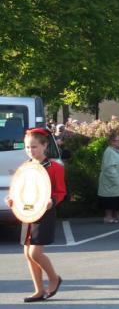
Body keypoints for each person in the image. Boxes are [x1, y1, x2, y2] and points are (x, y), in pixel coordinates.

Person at [6, 128, 66, 302]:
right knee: (27, 253)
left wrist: (52, 201)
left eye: (34, 147)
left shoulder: (54, 167)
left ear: (45, 145)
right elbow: (20, 190)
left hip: (44, 212)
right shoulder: (26, 167)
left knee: (35, 253)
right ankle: (39, 290)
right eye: (27, 147)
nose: (30, 150)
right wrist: (12, 200)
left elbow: (61, 191)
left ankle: (54, 278)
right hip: (27, 211)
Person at [98, 132, 119, 223]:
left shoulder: (117, 151)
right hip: (112, 180)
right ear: (111, 141)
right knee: (110, 199)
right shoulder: (109, 151)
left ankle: (117, 215)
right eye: (117, 140)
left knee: (118, 199)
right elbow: (109, 167)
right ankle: (108, 217)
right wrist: (116, 180)